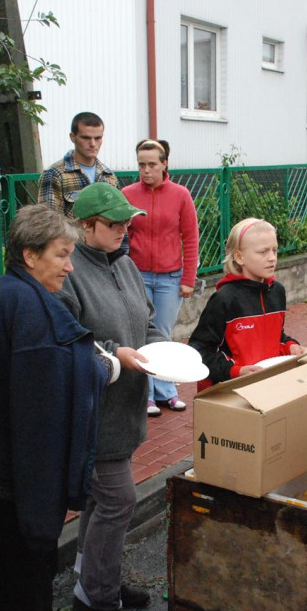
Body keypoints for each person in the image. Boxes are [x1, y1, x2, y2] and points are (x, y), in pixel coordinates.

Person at [0, 206, 108, 611]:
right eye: (62, 255)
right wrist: (108, 368)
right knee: (30, 566)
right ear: (29, 254)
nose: (69, 265)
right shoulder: (28, 307)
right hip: (11, 470)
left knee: (16, 565)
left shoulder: (8, 294)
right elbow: (45, 404)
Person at [58, 183, 165, 611]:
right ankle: (98, 600)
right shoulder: (68, 273)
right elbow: (70, 343)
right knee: (118, 500)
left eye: (126, 221)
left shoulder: (125, 264)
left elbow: (149, 320)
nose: (124, 229)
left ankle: (94, 580)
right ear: (86, 226)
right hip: (91, 416)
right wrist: (114, 352)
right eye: (114, 223)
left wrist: (162, 351)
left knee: (102, 505)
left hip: (126, 409)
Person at [122, 139, 199, 416]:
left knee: (164, 335)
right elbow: (122, 236)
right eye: (141, 165)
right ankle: (148, 396)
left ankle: (167, 391)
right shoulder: (128, 193)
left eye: (152, 164)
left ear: (164, 164)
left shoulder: (180, 194)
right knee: (143, 332)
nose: (146, 170)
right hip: (137, 275)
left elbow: (190, 238)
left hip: (170, 277)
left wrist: (188, 278)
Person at [188, 218, 304, 389]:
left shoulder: (277, 291)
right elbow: (199, 352)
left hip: (267, 386)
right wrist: (236, 371)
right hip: (230, 393)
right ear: (239, 257)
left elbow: (276, 337)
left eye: (275, 250)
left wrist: (290, 346)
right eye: (263, 252)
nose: (272, 258)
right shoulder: (223, 299)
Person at [39, 111, 127, 252]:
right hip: (72, 255)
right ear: (73, 137)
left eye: (97, 138)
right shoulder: (56, 174)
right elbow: (48, 224)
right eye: (86, 138)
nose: (92, 144)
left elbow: (120, 218)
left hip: (104, 255)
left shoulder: (108, 175)